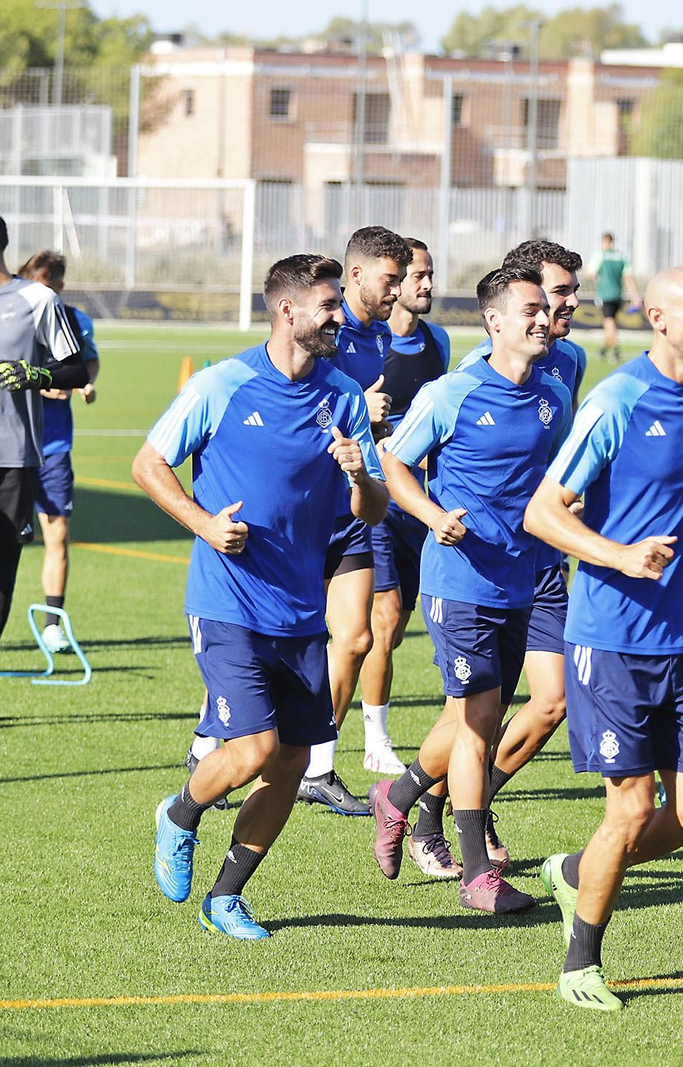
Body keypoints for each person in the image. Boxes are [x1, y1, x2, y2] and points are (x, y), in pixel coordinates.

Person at [142, 253, 387, 939]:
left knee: (289, 762)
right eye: (330, 304)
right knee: (251, 748)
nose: (341, 315)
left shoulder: (341, 394)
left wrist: (359, 473)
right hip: (228, 600)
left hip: (301, 608)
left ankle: (225, 897)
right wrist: (204, 523)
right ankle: (179, 813)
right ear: (287, 309)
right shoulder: (224, 384)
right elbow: (148, 462)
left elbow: (372, 509)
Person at [524, 267, 683, 1011]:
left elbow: (677, 501)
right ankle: (580, 962)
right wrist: (619, 556)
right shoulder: (617, 400)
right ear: (656, 316)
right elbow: (544, 512)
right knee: (630, 804)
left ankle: (579, 868)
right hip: (611, 638)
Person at [368, 263, 569, 913]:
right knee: (480, 720)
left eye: (547, 309)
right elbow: (393, 462)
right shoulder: (452, 393)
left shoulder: (553, 396)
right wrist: (432, 516)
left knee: (464, 718)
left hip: (521, 580)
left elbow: (561, 481)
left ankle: (397, 797)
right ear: (495, 322)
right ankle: (477, 874)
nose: (544, 319)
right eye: (531, 310)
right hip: (458, 582)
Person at [453, 239, 587, 870]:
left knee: (552, 701)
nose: (566, 305)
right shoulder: (475, 372)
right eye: (556, 293)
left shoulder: (570, 366)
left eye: (567, 294)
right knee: (474, 716)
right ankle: (436, 811)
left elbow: (564, 461)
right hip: (480, 566)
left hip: (543, 560)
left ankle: (450, 804)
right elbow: (435, 458)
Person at [295, 225, 410, 815]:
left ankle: (315, 763)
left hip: (355, 505)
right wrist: (351, 406)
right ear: (357, 275)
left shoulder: (379, 338)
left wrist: (372, 428)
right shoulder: (326, 329)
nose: (401, 289)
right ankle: (212, 747)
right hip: (302, 507)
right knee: (280, 637)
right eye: (391, 279)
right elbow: (295, 394)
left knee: (358, 636)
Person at [0, 208, 85, 727]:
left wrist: (33, 372)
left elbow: (75, 367)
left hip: (17, 462)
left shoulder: (39, 301)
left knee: (1, 580)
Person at [357, 236, 450, 782]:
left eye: (429, 275)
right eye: (417, 276)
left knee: (395, 624)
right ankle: (374, 740)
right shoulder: (366, 346)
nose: (426, 285)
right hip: (374, 502)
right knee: (382, 622)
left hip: (423, 504)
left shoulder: (438, 341)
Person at [16, 250, 100, 655]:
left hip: (53, 448)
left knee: (58, 533)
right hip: (11, 446)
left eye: (48, 287)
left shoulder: (75, 320)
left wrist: (83, 383)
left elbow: (90, 363)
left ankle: (52, 625)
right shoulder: (10, 317)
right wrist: (39, 383)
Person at [592, 232, 637, 362]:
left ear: (605, 241)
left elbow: (590, 273)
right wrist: (634, 296)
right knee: (610, 323)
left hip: (605, 294)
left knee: (609, 322)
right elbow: (628, 276)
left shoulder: (600, 255)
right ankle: (604, 349)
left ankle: (615, 347)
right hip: (618, 295)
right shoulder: (621, 256)